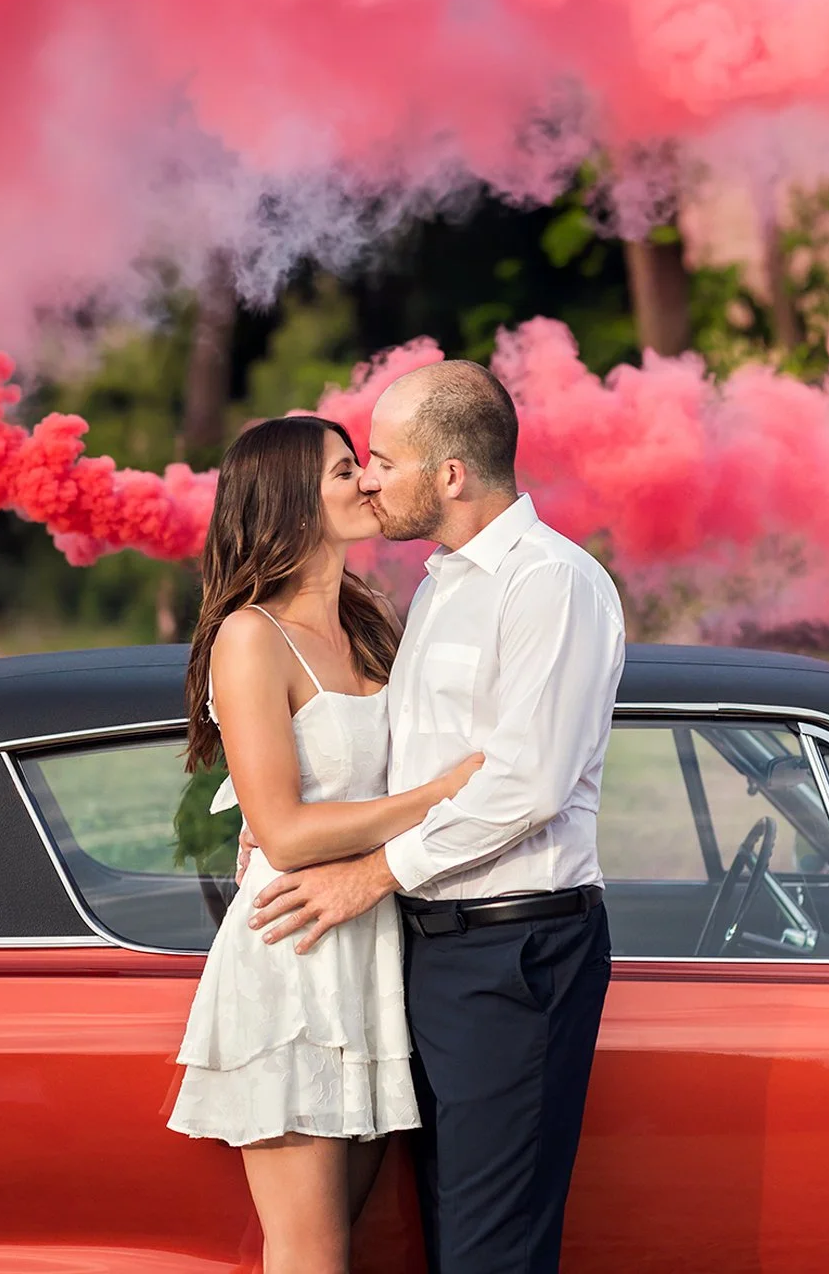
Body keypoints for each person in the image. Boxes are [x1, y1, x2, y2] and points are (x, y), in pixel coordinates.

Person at [247, 361, 626, 1274]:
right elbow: (409, 762)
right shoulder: (441, 583)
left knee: (489, 1251)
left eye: (381, 459)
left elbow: (527, 785)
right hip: (421, 949)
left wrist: (371, 872)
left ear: (449, 474)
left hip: (513, 951)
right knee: (448, 1239)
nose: (368, 477)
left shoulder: (550, 584)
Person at [167, 414, 484, 1274]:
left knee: (331, 1244)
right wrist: (438, 797)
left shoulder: (374, 620)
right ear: (290, 502)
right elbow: (283, 831)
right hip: (294, 955)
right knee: (312, 1256)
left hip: (374, 949)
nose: (369, 483)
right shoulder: (250, 637)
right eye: (347, 471)